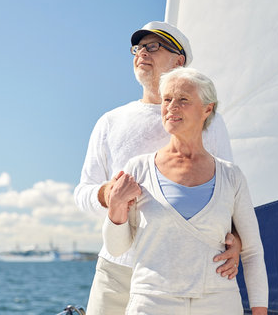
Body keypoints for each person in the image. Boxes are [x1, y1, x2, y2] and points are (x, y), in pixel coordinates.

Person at [74, 21, 241, 315]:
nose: (141, 54)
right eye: (137, 49)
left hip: (181, 271)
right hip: (117, 270)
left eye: (152, 47)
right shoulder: (110, 122)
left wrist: (236, 241)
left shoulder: (209, 121)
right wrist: (107, 194)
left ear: (179, 61)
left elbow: (229, 191)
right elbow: (83, 193)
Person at [103, 67, 268, 314]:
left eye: (183, 100)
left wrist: (260, 311)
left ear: (207, 109)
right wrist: (116, 205)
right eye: (167, 99)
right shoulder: (137, 170)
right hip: (151, 303)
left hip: (219, 302)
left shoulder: (231, 176)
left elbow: (252, 252)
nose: (171, 107)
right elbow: (117, 248)